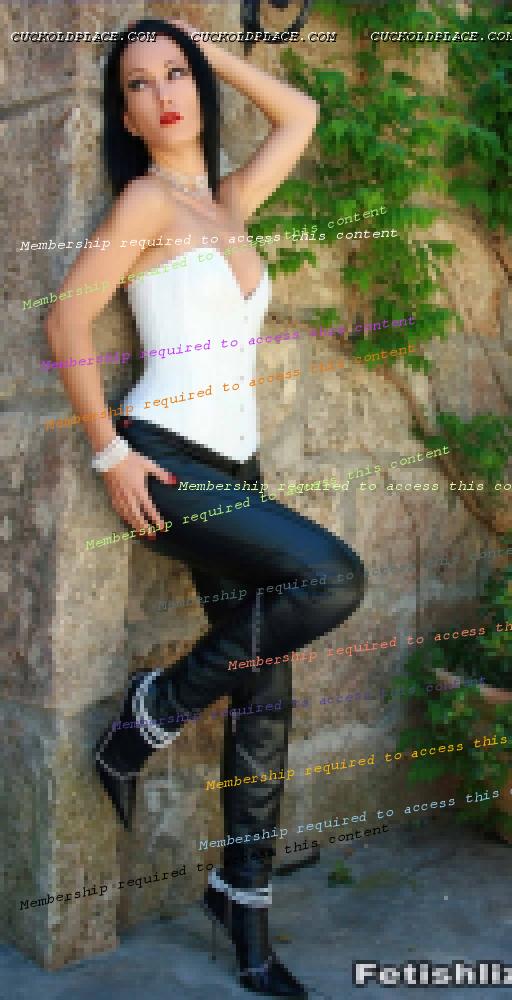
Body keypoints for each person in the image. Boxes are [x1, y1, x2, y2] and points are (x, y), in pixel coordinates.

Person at [45, 18, 365, 997]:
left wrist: (207, 45)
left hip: (239, 463)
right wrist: (109, 453)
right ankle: (154, 708)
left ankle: (243, 902)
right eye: (139, 84)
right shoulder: (145, 199)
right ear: (127, 117)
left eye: (175, 74)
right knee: (332, 577)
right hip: (169, 457)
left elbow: (300, 113)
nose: (164, 93)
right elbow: (66, 315)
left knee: (266, 691)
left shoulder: (225, 202)